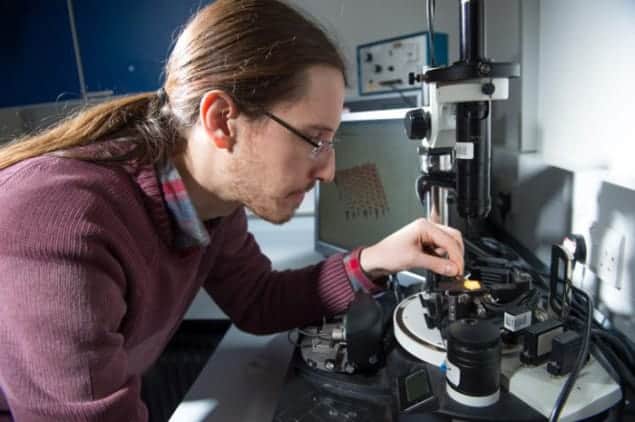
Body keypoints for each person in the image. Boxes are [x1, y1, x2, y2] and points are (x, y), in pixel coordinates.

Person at [0, 0, 463, 420]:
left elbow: (258, 301)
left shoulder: (213, 205)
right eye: (315, 140)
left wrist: (376, 258)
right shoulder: (61, 221)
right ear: (222, 120)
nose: (328, 171)